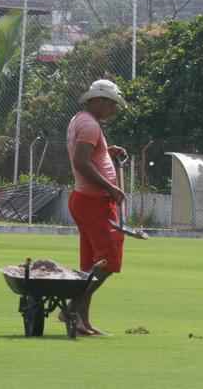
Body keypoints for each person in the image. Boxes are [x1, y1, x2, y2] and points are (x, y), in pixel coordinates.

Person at [65, 79, 128, 336]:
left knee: (91, 262)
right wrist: (111, 188)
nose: (114, 111)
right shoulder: (90, 126)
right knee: (108, 260)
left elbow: (88, 156)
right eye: (112, 105)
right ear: (99, 101)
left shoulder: (81, 121)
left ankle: (82, 321)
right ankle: (71, 308)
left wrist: (106, 152)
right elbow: (81, 162)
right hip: (95, 202)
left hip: (86, 200)